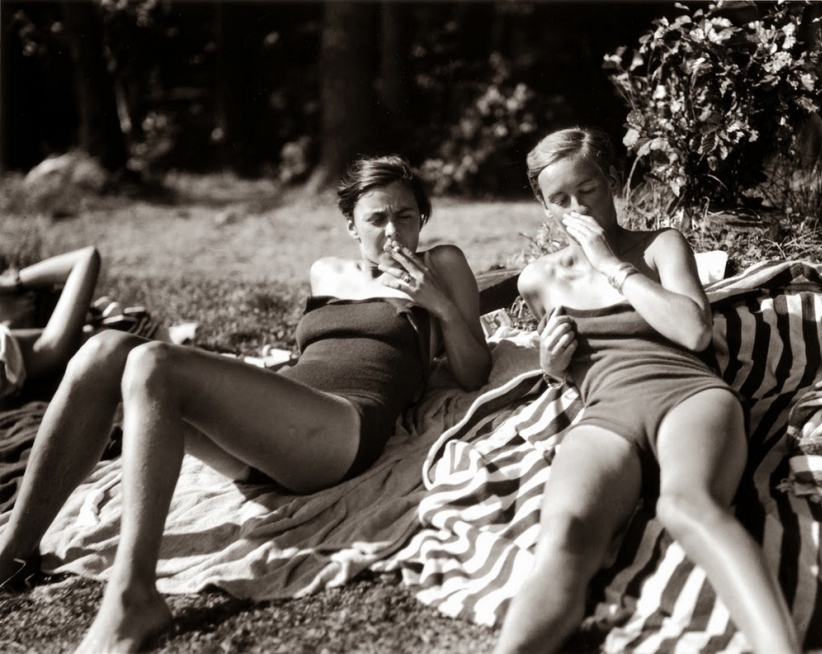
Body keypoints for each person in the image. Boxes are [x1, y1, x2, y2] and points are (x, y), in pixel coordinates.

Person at [0, 155, 492, 653]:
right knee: (102, 350)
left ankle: (134, 596)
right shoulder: (327, 272)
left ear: (422, 219)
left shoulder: (441, 264)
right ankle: (13, 550)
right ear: (351, 226)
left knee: (153, 363)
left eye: (406, 216)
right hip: (283, 430)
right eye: (377, 218)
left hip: (341, 428)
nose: (392, 232)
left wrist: (438, 305)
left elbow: (474, 371)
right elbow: (321, 357)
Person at [493, 127, 800, 654]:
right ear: (543, 205)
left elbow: (694, 331)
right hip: (607, 413)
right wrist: (552, 366)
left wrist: (612, 266)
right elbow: (573, 370)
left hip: (687, 396)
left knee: (688, 506)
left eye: (587, 190)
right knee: (564, 534)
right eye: (559, 199)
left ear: (610, 182)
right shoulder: (537, 280)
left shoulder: (658, 245)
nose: (577, 208)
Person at [0, 246, 100, 402]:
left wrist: (12, 282)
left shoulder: (13, 348)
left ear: (29, 301)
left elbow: (87, 257)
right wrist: (14, 282)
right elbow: (86, 258)